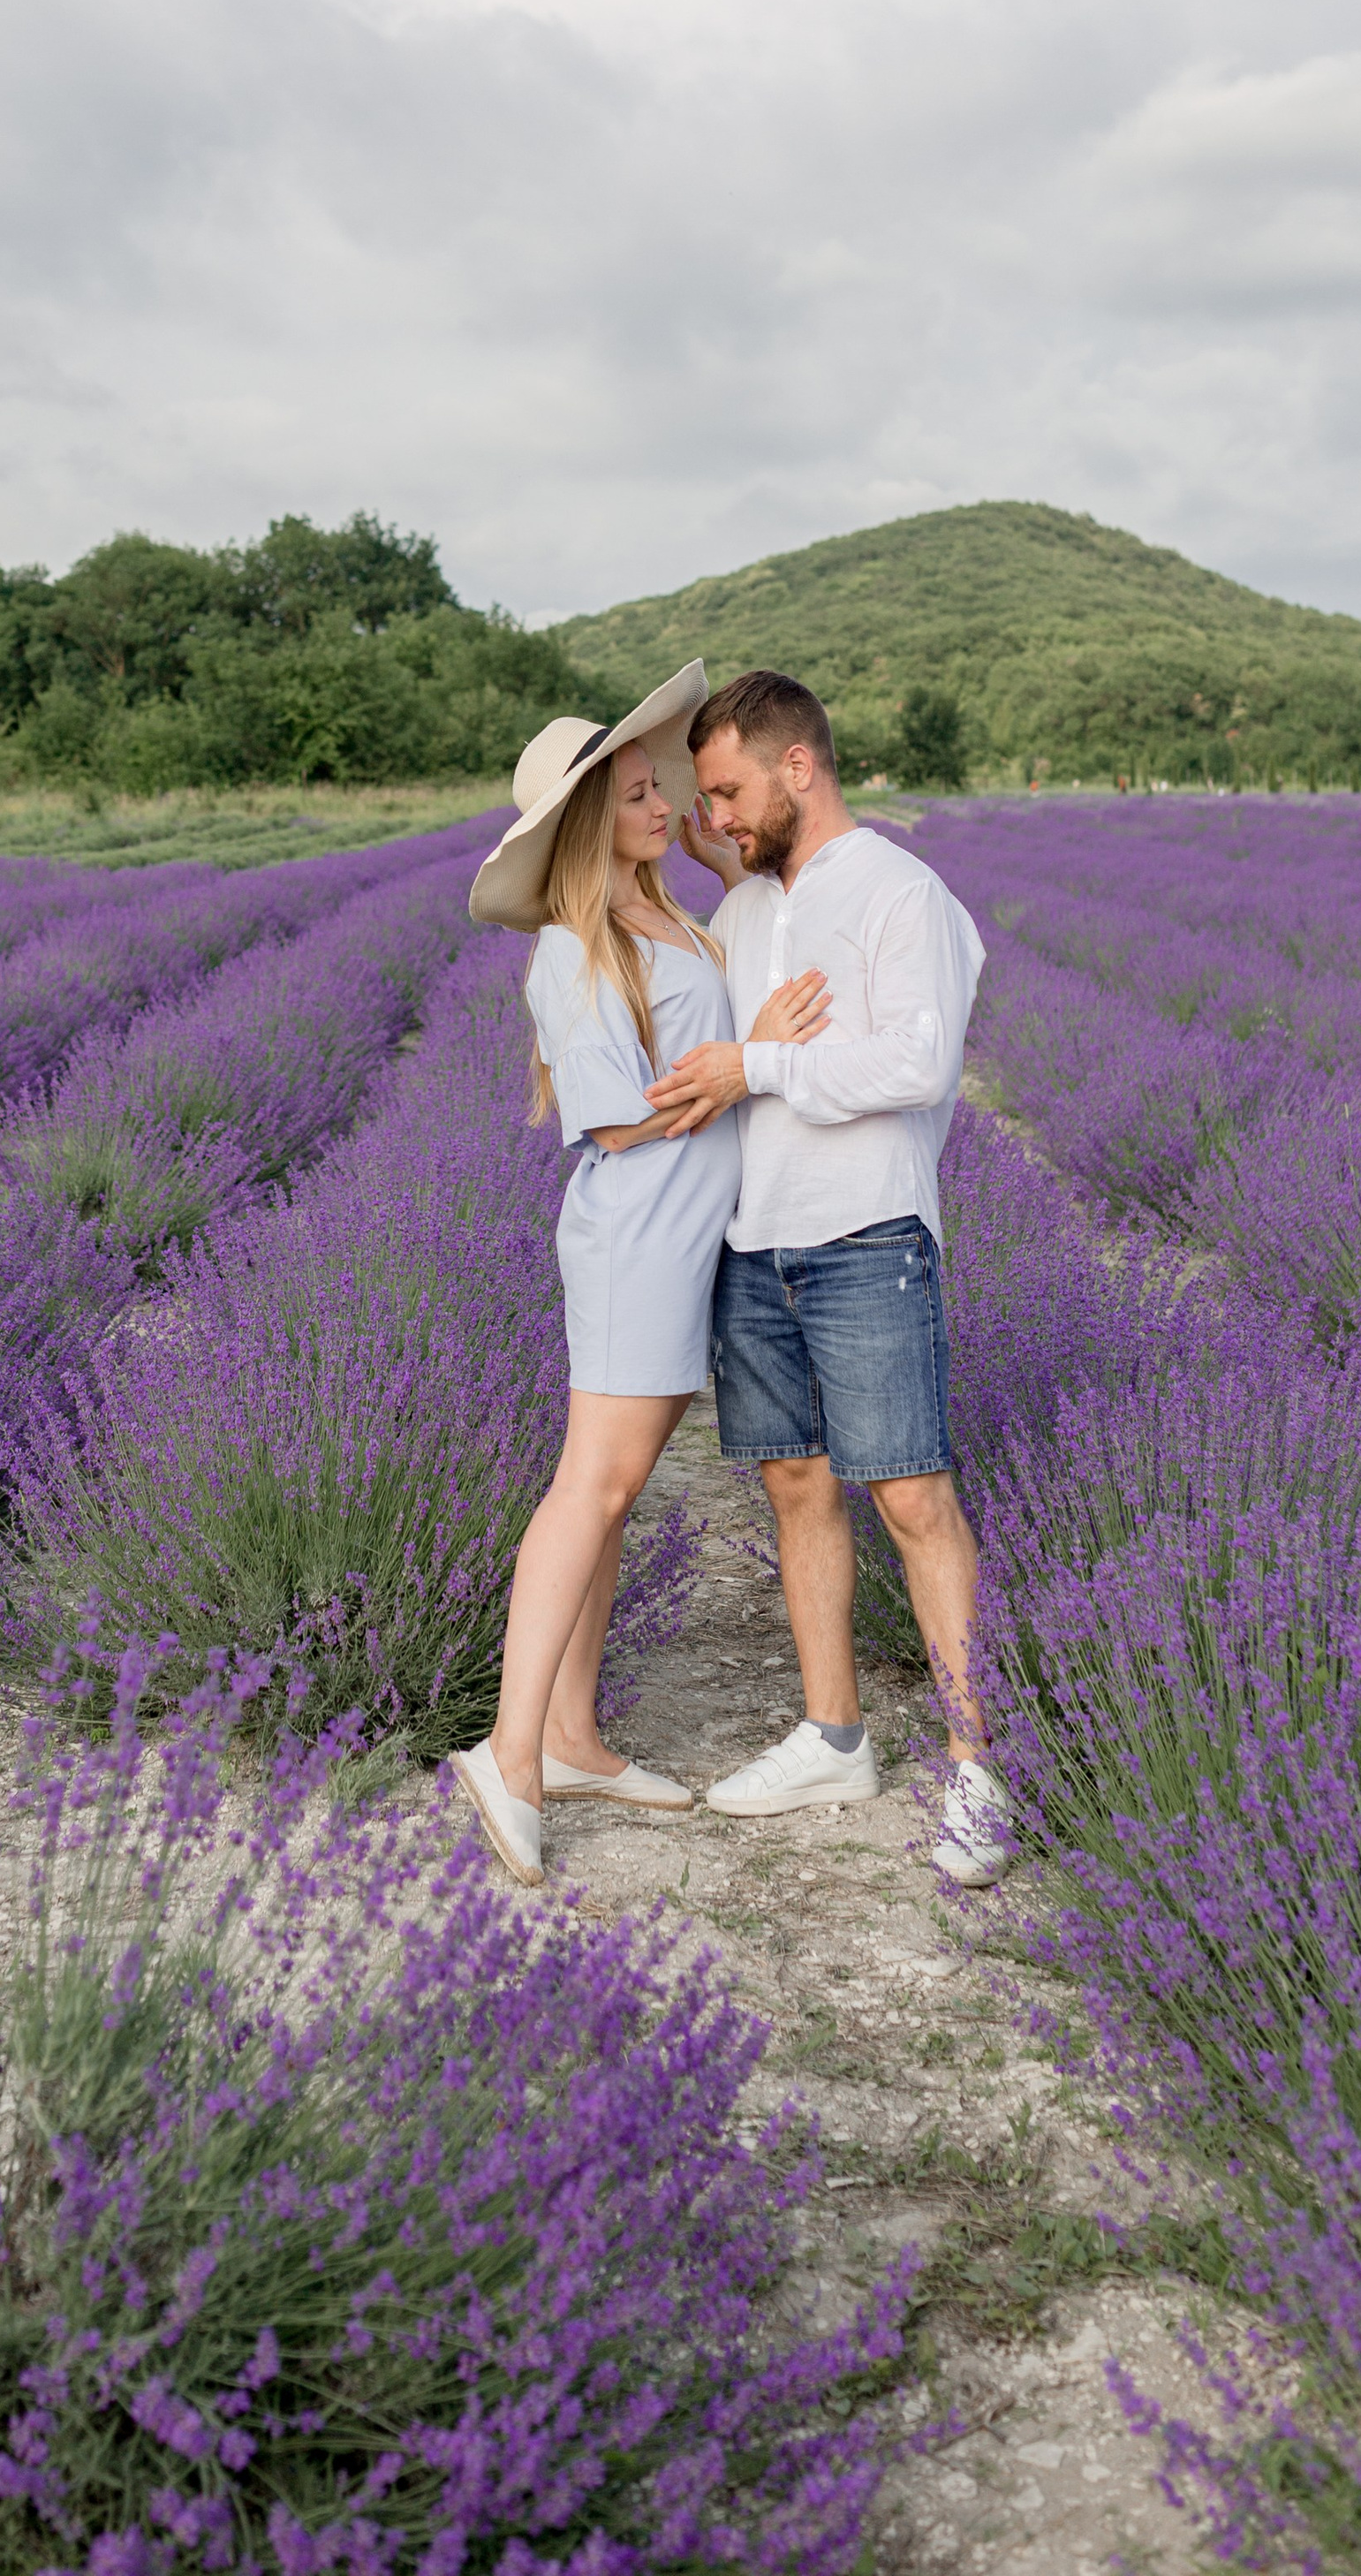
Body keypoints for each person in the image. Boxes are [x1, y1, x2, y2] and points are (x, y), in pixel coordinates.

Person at [446, 664, 831, 1888]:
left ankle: (572, 1740)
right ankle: (510, 1753)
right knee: (592, 1491)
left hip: (684, 1238)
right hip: (634, 1241)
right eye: (630, 796)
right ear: (580, 828)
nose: (661, 801)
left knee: (612, 1493)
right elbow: (617, 1120)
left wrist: (724, 871)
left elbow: (753, 937)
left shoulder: (667, 917)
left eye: (654, 784)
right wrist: (752, 1056)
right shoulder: (575, 948)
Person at [646, 668, 1013, 1888]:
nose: (723, 816)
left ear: (797, 765)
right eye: (709, 799)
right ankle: (832, 1736)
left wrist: (761, 1065)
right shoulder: (753, 907)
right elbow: (734, 1043)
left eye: (733, 790)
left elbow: (914, 1061)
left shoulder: (906, 894)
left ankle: (978, 1769)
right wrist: (758, 1044)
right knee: (797, 1486)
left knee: (912, 1497)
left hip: (865, 1236)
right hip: (757, 1237)